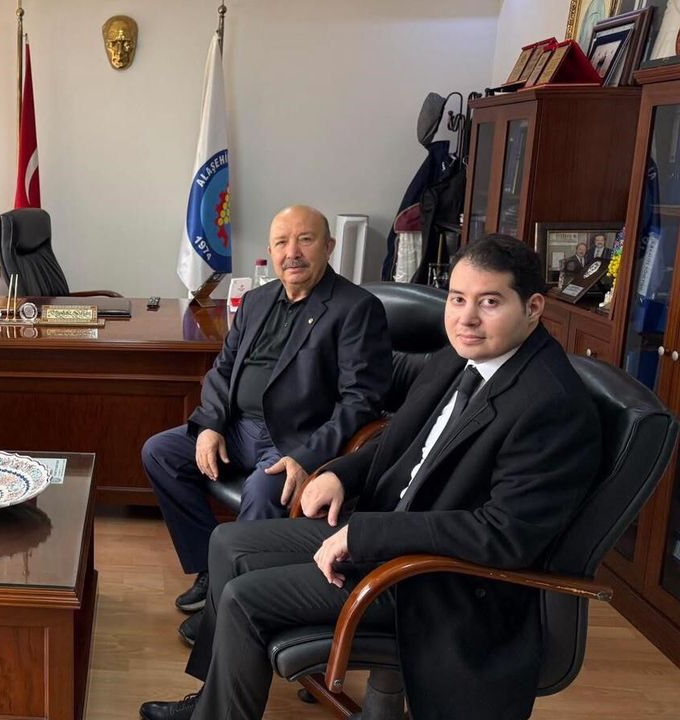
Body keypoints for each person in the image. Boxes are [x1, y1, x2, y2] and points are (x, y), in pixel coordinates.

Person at [139, 234, 601, 720]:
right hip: (390, 534)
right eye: (457, 299)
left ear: (532, 308)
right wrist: (341, 473)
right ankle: (212, 699)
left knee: (243, 596)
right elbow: (397, 438)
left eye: (489, 302)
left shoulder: (550, 404)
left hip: (435, 581)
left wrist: (365, 535)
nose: (466, 318)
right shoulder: (462, 355)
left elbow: (503, 535)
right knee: (228, 543)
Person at [140, 205, 392, 642]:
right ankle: (210, 567)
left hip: (296, 438)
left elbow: (361, 402)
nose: (292, 252)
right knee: (160, 452)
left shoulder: (356, 308)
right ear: (271, 252)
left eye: (305, 240)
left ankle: (226, 605)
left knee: (261, 489)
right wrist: (212, 424)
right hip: (238, 428)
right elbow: (222, 370)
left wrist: (308, 456)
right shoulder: (257, 301)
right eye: (281, 242)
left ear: (329, 246)